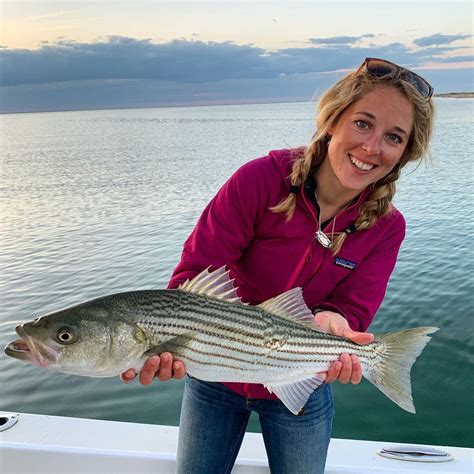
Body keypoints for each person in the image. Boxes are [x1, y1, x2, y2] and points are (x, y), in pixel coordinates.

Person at [121, 58, 435, 473]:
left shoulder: (387, 228)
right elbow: (193, 274)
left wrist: (336, 320)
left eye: (393, 137)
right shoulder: (258, 181)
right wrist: (171, 337)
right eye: (363, 124)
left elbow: (356, 304)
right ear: (333, 120)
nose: (372, 147)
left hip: (301, 377)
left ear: (404, 154)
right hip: (216, 372)